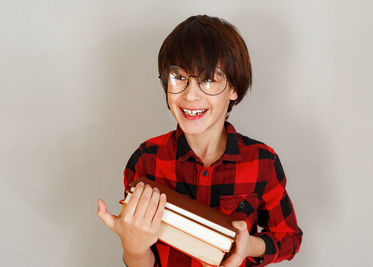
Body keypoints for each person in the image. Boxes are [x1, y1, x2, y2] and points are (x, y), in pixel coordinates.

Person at [97, 15, 302, 267]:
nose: (190, 95)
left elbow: (289, 238)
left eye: (208, 79)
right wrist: (133, 248)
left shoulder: (263, 161)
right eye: (179, 77)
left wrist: (248, 245)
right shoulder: (146, 159)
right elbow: (141, 259)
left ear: (234, 88)